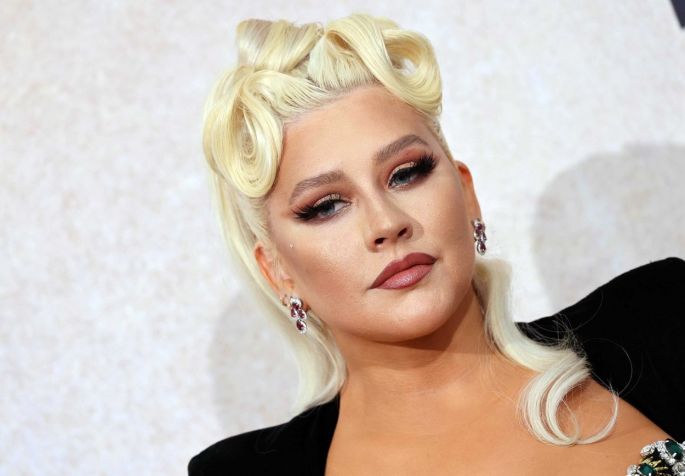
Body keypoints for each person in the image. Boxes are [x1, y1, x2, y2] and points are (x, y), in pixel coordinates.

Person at [191, 13, 685, 475]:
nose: (387, 223)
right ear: (277, 271)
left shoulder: (662, 316)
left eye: (406, 173)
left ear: (467, 194)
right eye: (326, 206)